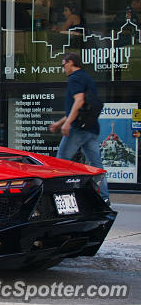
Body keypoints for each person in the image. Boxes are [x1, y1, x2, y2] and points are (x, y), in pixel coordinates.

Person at [49, 53, 109, 204]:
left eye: (63, 65)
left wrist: (68, 124)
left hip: (77, 129)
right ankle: (104, 198)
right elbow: (79, 107)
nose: (64, 69)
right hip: (91, 128)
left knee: (61, 162)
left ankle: (58, 197)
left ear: (70, 62)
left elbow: (79, 101)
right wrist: (60, 122)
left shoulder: (75, 78)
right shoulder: (87, 78)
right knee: (96, 166)